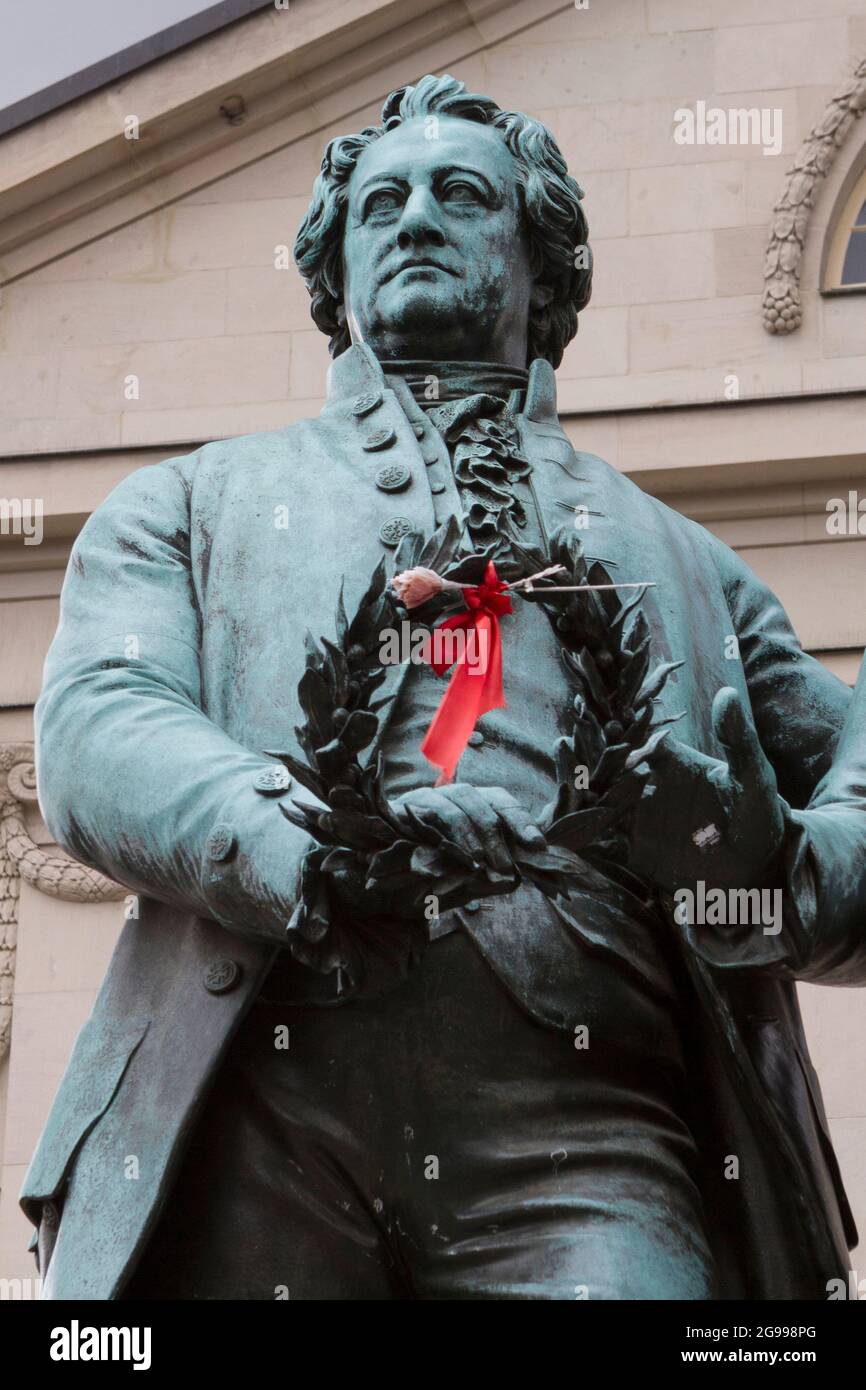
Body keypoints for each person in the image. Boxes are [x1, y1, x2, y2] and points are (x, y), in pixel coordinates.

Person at [21, 74, 866, 1300]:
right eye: (380, 203)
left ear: (538, 262)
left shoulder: (690, 564)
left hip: (589, 1135)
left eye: (460, 194)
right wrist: (289, 833)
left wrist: (770, 864)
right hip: (258, 1112)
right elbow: (98, 725)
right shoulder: (189, 504)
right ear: (336, 274)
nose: (414, 216)